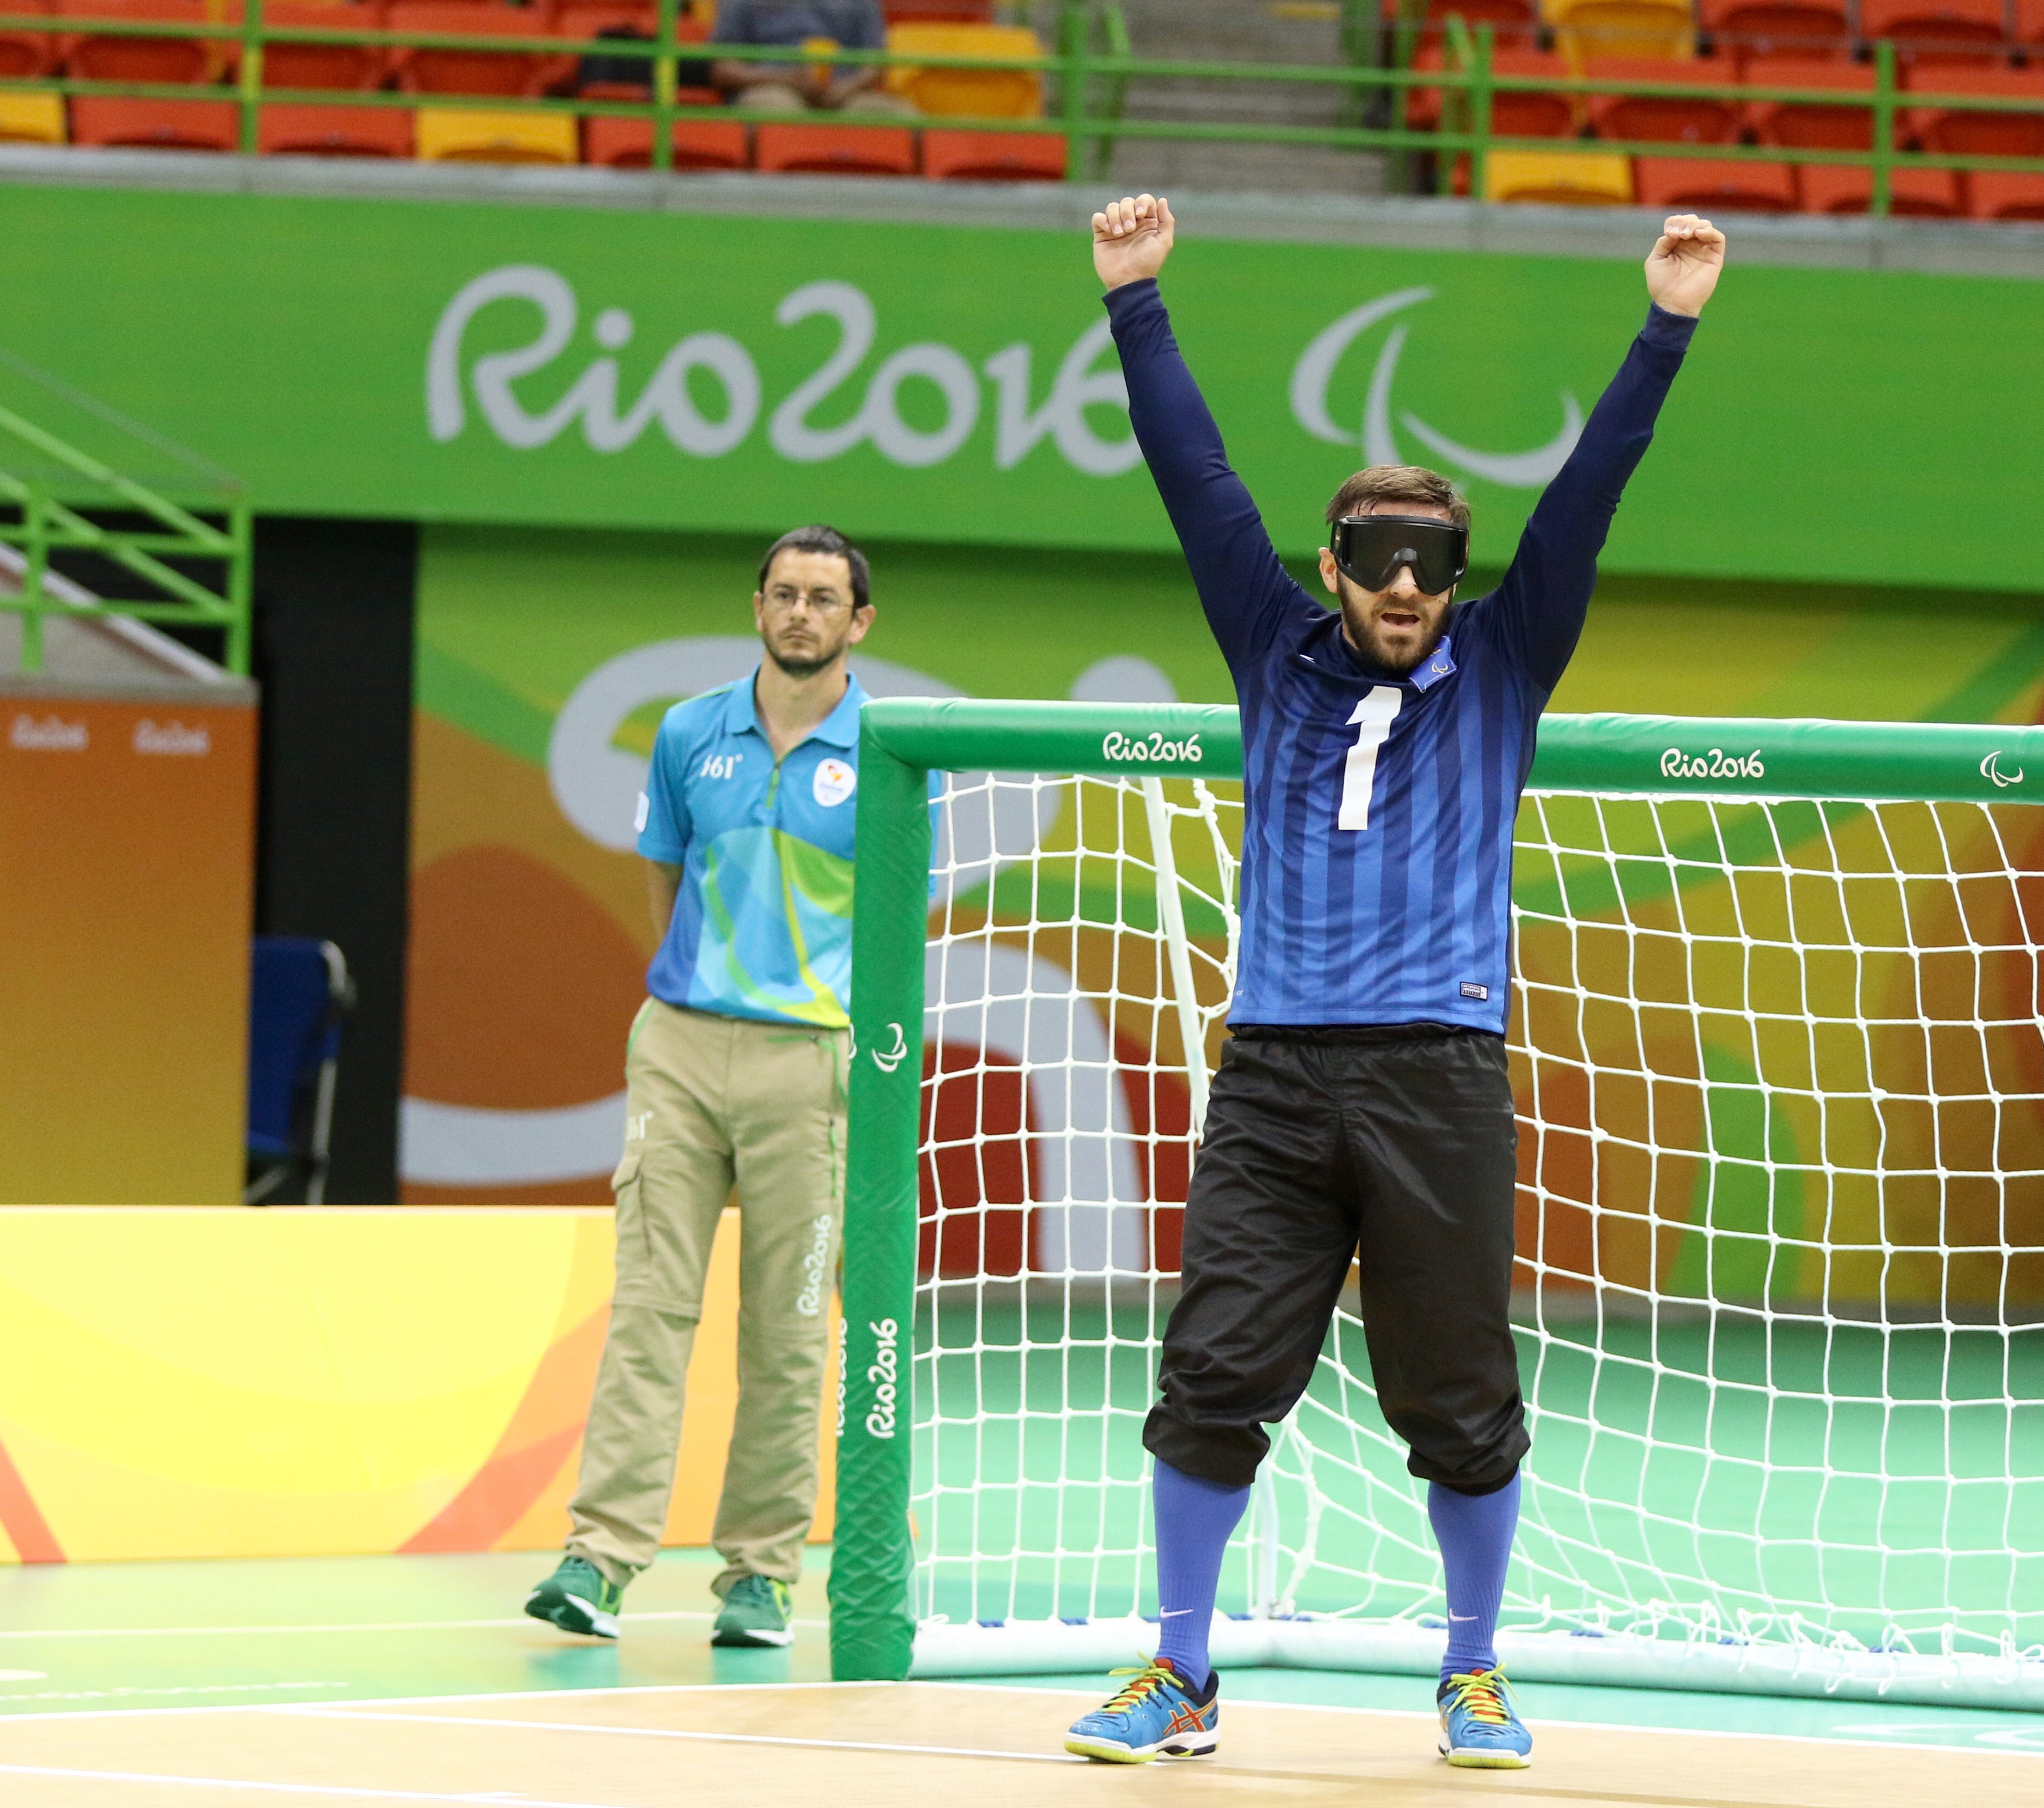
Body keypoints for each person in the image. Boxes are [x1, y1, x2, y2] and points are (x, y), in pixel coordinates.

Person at [1061, 195, 1723, 1769]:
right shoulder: (1269, 647)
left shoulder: (1501, 662)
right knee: (1213, 1374)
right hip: (1275, 1074)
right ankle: (1179, 1666)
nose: (1405, 588)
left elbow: (1587, 499)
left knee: (1456, 1393)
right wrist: (1132, 303)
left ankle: (1473, 1668)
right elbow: (1191, 476)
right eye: (1376, 562)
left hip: (1436, 1073)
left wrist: (1665, 326)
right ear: (1330, 564)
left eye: (1430, 562)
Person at [525, 525, 877, 1651]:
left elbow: (895, 919)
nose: (801, 612)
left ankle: (761, 1574)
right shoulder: (688, 732)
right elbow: (665, 883)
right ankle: (599, 1554)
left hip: (808, 1060)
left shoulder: (892, 749)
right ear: (758, 605)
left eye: (824, 597)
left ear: (859, 621)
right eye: (783, 592)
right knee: (647, 1310)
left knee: (785, 1331)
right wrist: (705, 989)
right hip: (679, 1046)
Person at [709, 0, 903, 113]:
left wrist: (845, 88)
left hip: (847, 91)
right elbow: (724, 69)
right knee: (776, 110)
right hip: (770, 87)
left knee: (895, 117)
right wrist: (787, 79)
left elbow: (876, 66)